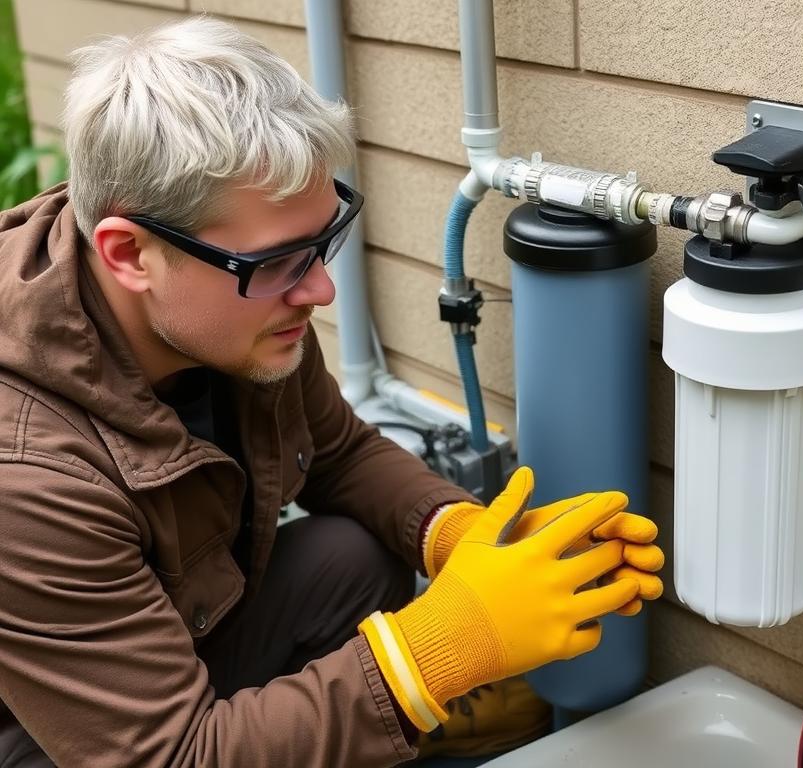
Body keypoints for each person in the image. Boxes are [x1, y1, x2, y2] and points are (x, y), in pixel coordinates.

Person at [0, 16, 664, 768]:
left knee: (351, 560)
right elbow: (169, 757)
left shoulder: (226, 310)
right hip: (58, 740)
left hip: (168, 645)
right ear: (129, 254)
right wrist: (433, 656)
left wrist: (464, 535)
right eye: (280, 260)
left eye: (322, 241)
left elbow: (338, 453)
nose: (319, 289)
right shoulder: (27, 479)